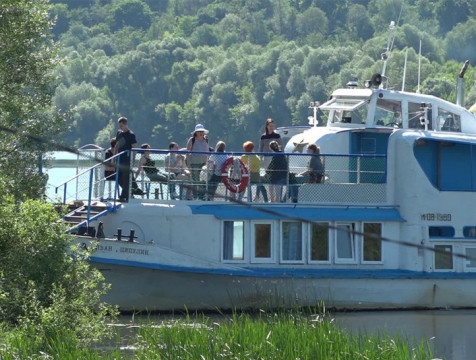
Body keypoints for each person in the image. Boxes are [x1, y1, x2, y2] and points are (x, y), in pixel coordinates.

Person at [114, 116, 137, 201]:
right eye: (119, 126)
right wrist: (114, 157)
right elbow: (116, 145)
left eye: (122, 126)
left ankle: (123, 196)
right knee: (118, 177)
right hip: (119, 159)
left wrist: (133, 160)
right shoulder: (119, 133)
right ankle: (129, 191)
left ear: (126, 124)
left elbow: (134, 147)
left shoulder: (131, 135)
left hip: (127, 159)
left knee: (126, 177)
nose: (120, 128)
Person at [186, 124, 211, 199]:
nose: (201, 133)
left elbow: (208, 151)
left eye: (202, 131)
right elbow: (188, 153)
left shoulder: (206, 139)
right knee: (195, 181)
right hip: (195, 164)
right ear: (195, 132)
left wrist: (208, 162)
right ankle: (195, 197)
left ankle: (201, 197)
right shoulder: (192, 140)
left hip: (204, 165)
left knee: (203, 182)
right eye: (199, 131)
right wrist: (189, 165)